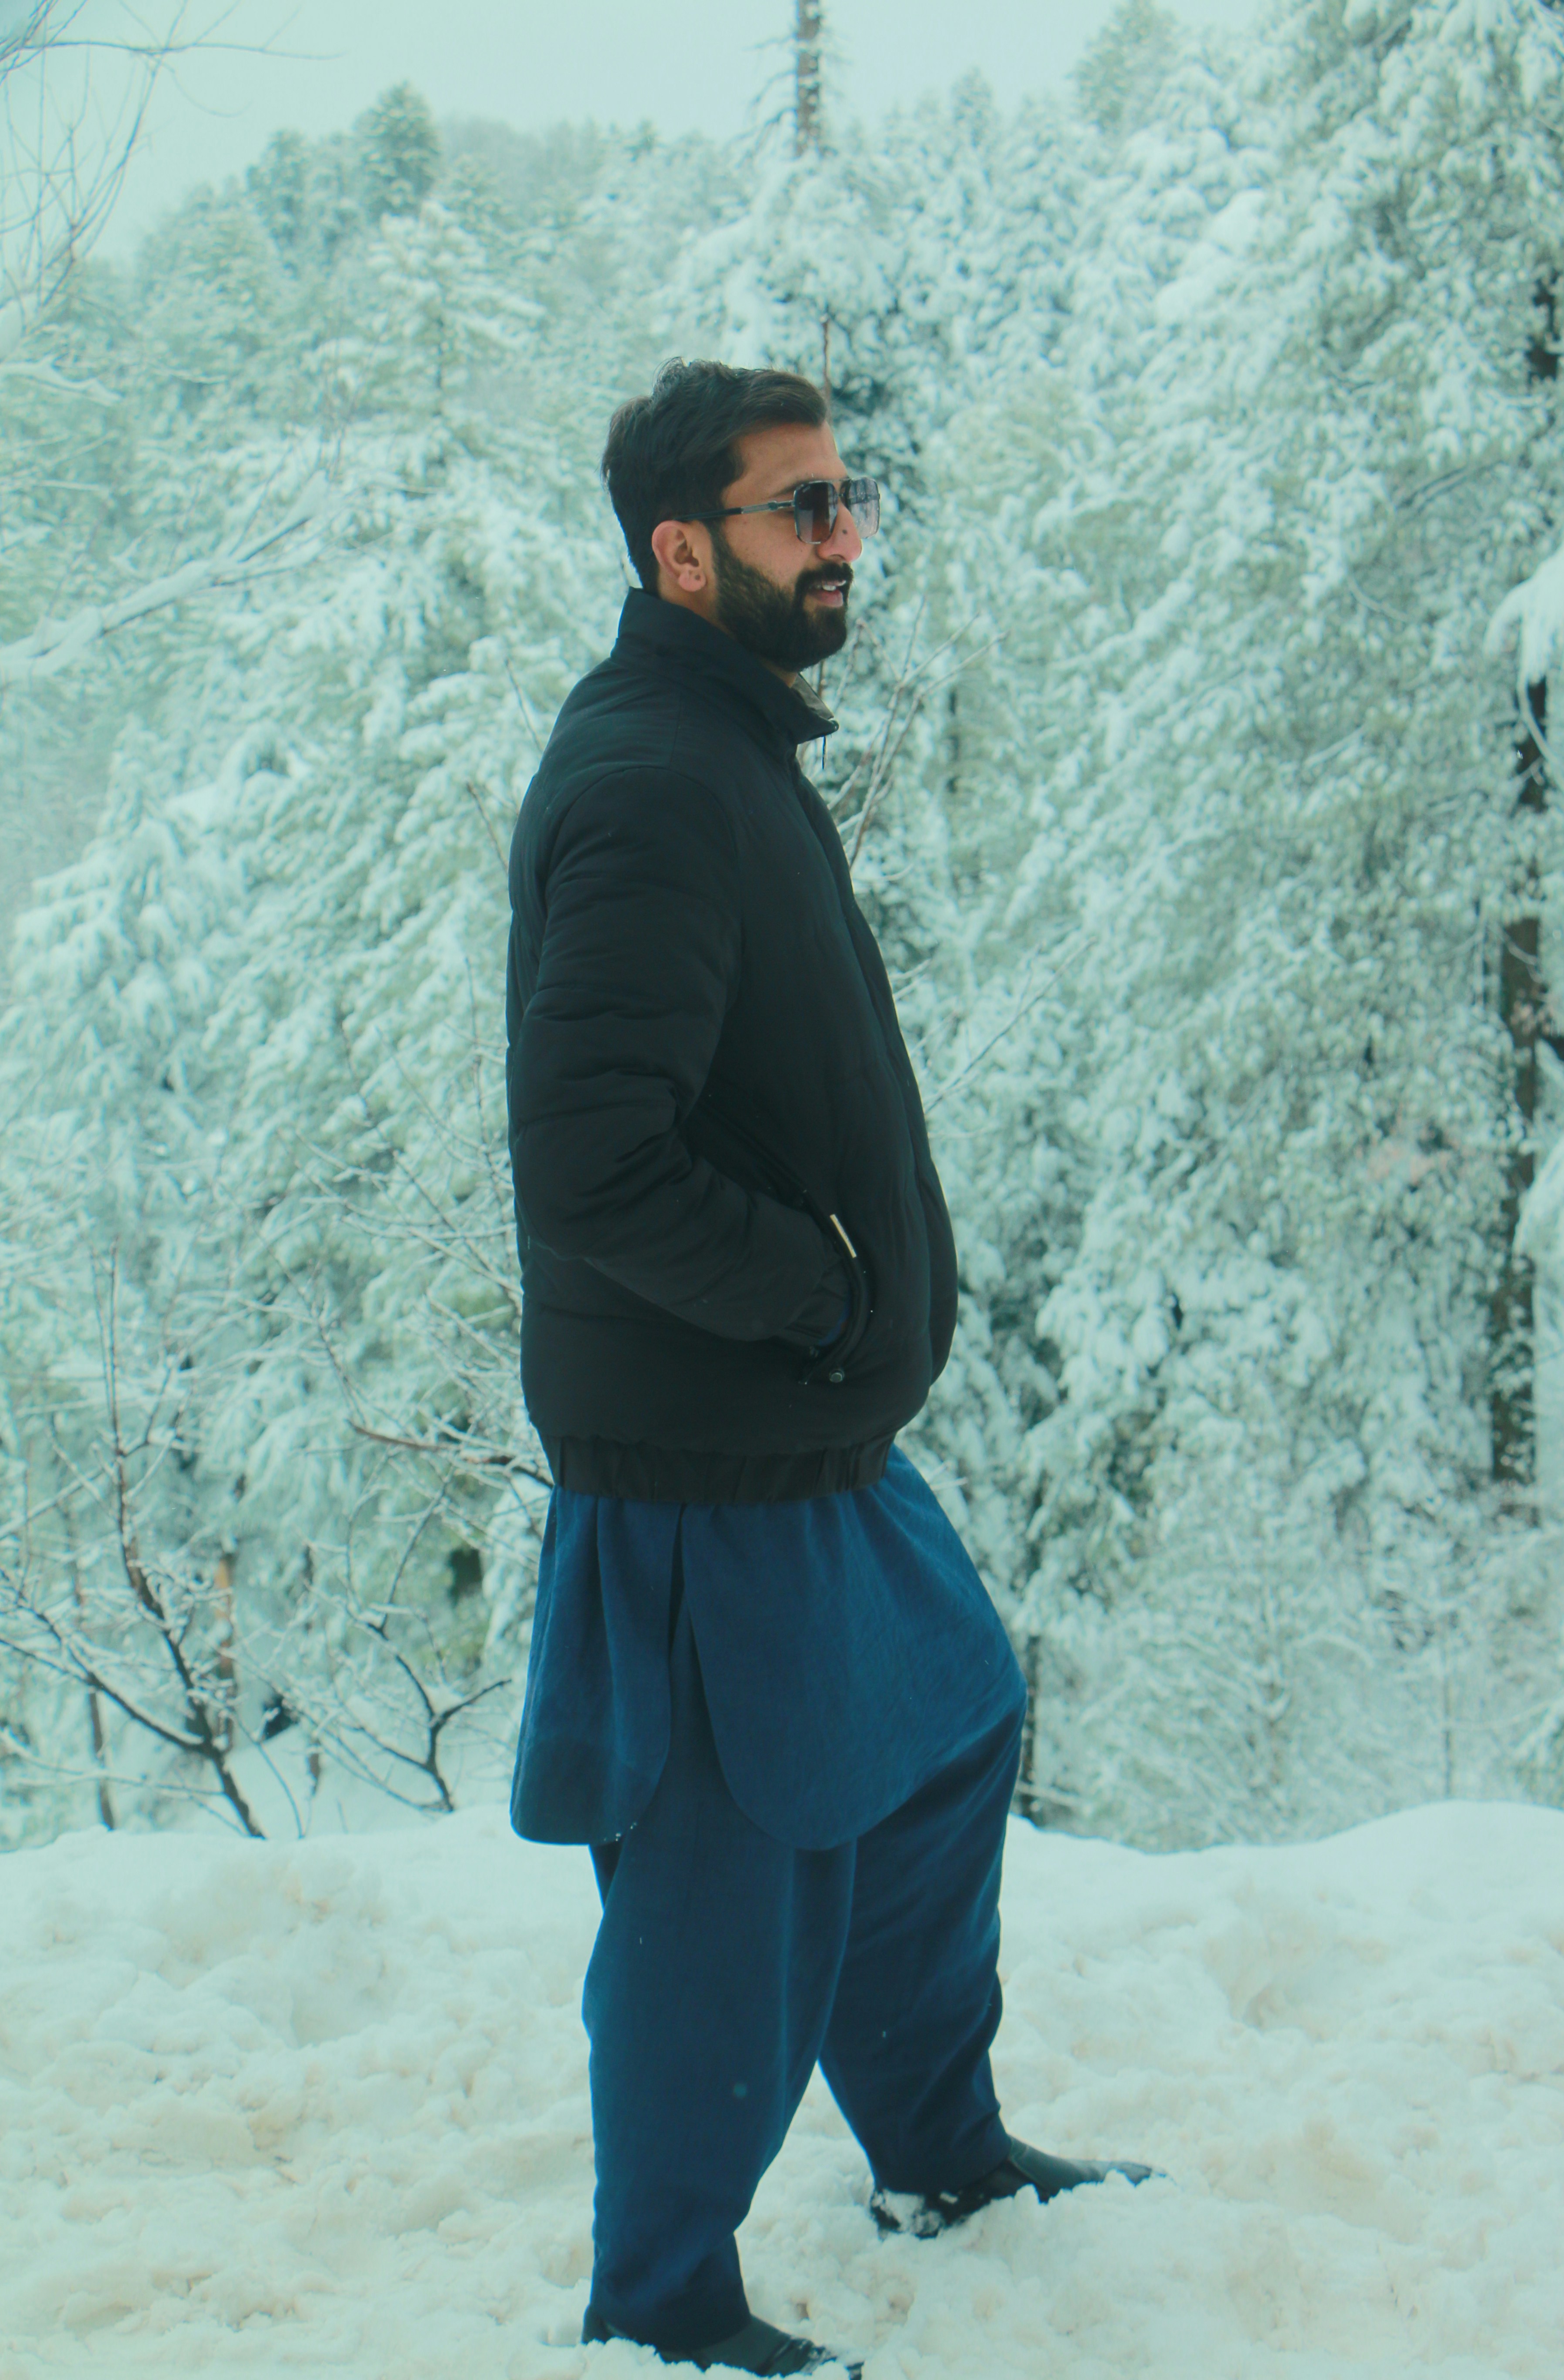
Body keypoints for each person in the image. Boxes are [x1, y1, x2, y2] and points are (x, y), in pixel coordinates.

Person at [504, 358, 1150, 2380]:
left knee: (952, 1723)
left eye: (848, 498)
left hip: (807, 1442)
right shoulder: (649, 784)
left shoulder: (721, 754)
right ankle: (665, 2301)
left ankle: (937, 2148)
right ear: (679, 549)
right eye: (801, 509)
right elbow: (593, 1156)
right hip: (710, 1468)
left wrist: (847, 1326)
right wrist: (822, 1296)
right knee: (733, 1877)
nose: (844, 536)